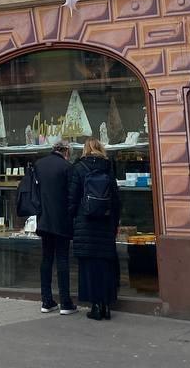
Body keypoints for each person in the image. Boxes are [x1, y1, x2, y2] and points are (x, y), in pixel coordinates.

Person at [69, 136, 120, 321]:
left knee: (89, 266)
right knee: (105, 265)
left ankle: (95, 306)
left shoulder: (79, 168)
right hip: (105, 223)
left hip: (86, 224)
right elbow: (116, 199)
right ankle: (106, 305)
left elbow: (72, 198)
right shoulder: (108, 167)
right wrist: (115, 222)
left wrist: (72, 219)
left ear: (85, 149)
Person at [34, 138, 75, 314]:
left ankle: (46, 301)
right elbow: (72, 195)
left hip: (43, 219)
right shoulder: (67, 167)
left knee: (46, 259)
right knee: (62, 259)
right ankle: (65, 302)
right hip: (62, 220)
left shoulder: (39, 164)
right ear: (66, 151)